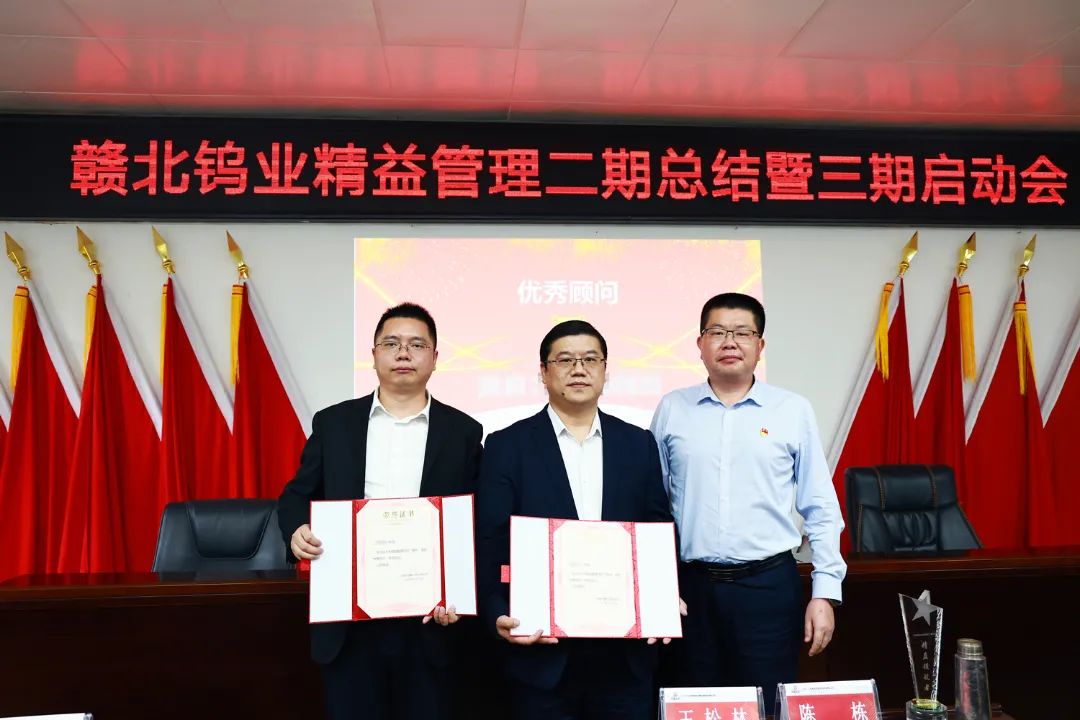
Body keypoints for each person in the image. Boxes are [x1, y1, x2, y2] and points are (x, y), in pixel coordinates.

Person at [278, 302, 483, 720]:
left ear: (434, 358)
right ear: (373, 355)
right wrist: (297, 529)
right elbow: (297, 494)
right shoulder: (334, 424)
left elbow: (476, 519)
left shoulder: (463, 432)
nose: (403, 353)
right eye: (391, 343)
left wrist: (460, 589)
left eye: (416, 344)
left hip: (429, 624)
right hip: (350, 624)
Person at [650, 292, 846, 710]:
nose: (730, 342)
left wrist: (825, 592)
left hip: (768, 588)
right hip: (690, 590)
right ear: (700, 344)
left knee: (767, 704)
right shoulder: (672, 409)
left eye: (742, 333)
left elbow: (820, 506)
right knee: (693, 706)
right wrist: (656, 584)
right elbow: (652, 505)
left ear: (760, 345)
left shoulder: (791, 410)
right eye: (717, 332)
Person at [476, 320, 675, 720]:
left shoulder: (637, 443)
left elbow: (657, 528)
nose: (579, 369)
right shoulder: (506, 445)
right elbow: (491, 539)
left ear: (605, 370)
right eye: (565, 360)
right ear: (543, 372)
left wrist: (663, 600)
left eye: (590, 359)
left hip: (624, 657)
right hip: (541, 653)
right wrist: (496, 611)